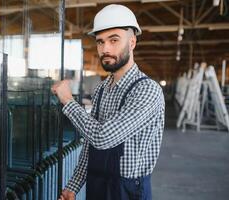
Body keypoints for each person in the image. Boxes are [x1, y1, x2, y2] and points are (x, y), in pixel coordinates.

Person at [51, 4, 165, 200]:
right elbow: (90, 145)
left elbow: (103, 138)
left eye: (114, 40)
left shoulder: (147, 90)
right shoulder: (103, 89)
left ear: (132, 42)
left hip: (127, 191)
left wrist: (68, 101)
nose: (105, 49)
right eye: (100, 42)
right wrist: (73, 187)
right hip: (97, 186)